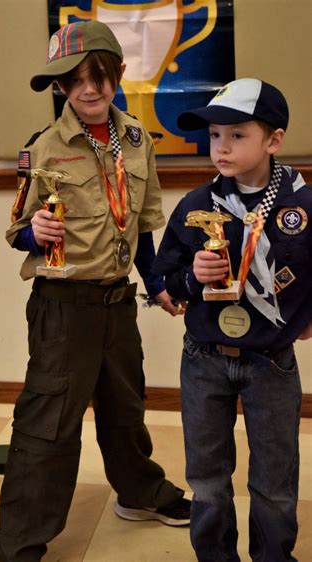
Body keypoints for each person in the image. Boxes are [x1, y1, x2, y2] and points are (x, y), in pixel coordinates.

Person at [0, 19, 191, 562]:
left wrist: (155, 285)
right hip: (63, 308)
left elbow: (143, 225)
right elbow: (16, 230)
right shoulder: (42, 148)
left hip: (117, 302)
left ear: (118, 74)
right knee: (51, 422)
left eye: (98, 75)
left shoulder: (136, 141)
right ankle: (22, 539)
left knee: (126, 406)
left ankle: (139, 491)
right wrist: (33, 232)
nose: (88, 89)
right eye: (73, 80)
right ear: (60, 87)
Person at [154, 78, 312, 561]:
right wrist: (190, 281)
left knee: (274, 476)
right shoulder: (197, 205)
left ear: (274, 140)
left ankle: (272, 556)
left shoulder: (302, 204)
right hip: (203, 359)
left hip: (271, 361)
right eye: (215, 135)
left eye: (237, 135)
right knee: (206, 476)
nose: (221, 147)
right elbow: (163, 279)